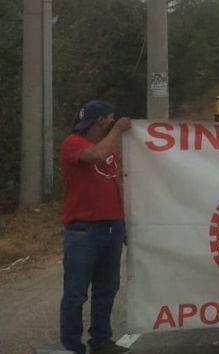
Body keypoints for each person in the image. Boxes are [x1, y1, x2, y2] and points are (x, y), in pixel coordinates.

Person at [59, 100, 132, 354]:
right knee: (76, 292)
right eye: (108, 119)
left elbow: (117, 182)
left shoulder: (110, 149)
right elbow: (96, 156)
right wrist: (119, 130)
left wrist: (126, 220)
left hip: (112, 226)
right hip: (83, 229)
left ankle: (101, 340)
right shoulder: (73, 144)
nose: (111, 123)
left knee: (107, 287)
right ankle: (72, 346)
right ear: (97, 121)